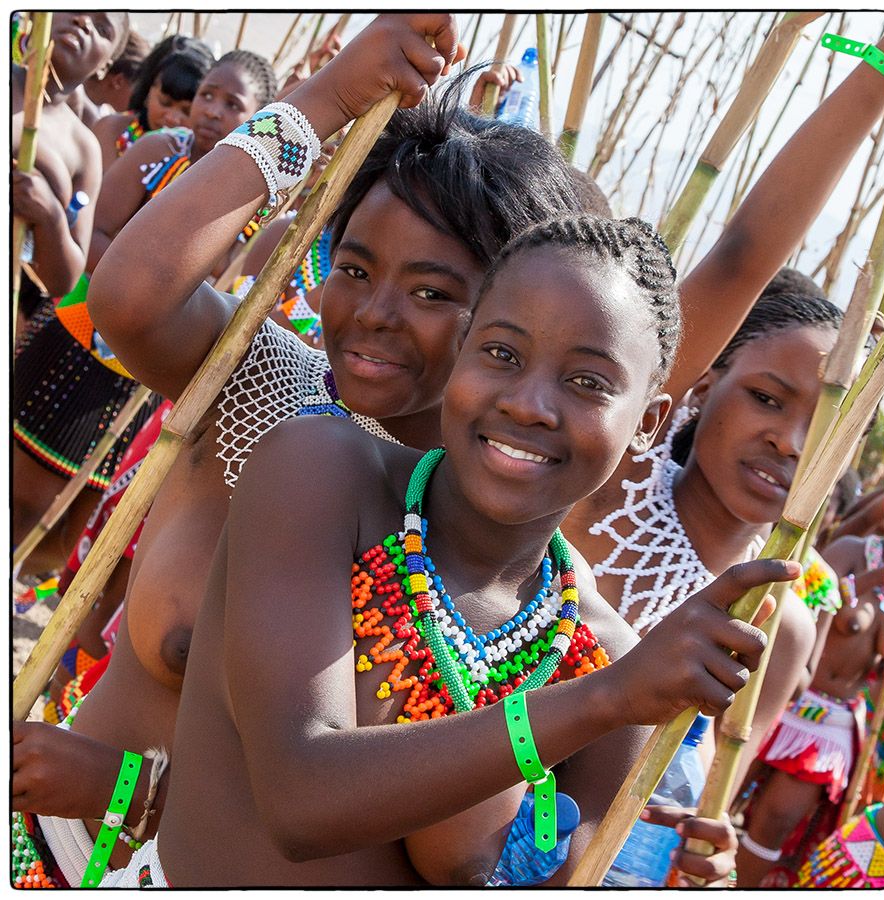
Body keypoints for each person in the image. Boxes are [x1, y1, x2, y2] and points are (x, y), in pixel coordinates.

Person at [11, 14, 588, 886]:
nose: (373, 314)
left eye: (432, 290)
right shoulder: (263, 384)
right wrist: (327, 98)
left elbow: (395, 837)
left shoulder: (504, 552)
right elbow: (131, 295)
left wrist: (142, 792)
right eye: (353, 269)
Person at [104, 211, 794, 887]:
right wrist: (603, 701)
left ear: (646, 423)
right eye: (501, 353)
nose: (528, 403)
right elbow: (300, 801)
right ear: (462, 350)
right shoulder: (322, 475)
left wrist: (656, 864)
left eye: (587, 382)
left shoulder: (598, 650)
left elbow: (559, 877)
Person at [563, 33, 884, 786]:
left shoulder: (782, 627)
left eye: (827, 426)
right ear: (700, 389)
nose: (790, 440)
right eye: (768, 399)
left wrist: (700, 865)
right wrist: (878, 78)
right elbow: (745, 252)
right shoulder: (611, 490)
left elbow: (698, 811)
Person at [11, 49, 274, 579]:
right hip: (77, 343)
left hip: (140, 383)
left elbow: (226, 294)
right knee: (17, 489)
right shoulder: (158, 151)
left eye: (232, 104)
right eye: (207, 95)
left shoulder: (260, 206)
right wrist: (146, 290)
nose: (212, 111)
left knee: (64, 519)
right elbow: (97, 235)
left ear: (258, 120)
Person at [12, 11, 131, 571]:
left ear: (107, 60)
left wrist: (48, 220)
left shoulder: (83, 147)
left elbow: (69, 283)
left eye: (104, 26)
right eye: (76, 7)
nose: (84, 20)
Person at [736, 530, 884, 886]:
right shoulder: (853, 549)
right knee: (725, 791)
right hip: (785, 697)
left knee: (778, 819)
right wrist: (880, 576)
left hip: (833, 721)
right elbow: (810, 597)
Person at [91, 34, 215, 170]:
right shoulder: (113, 130)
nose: (172, 118)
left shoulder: (205, 164)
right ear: (148, 91)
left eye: (187, 111)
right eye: (165, 102)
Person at [67, 30, 150, 128]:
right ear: (118, 81)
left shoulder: (104, 114)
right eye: (140, 91)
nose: (141, 101)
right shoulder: (71, 99)